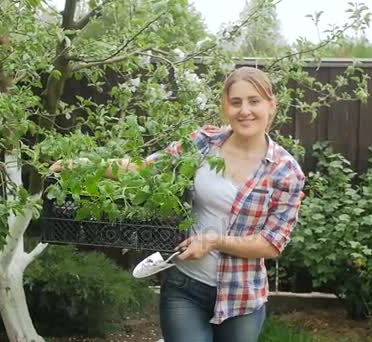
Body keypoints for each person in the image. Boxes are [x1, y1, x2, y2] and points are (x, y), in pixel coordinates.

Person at [50, 66, 305, 342]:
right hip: (185, 286)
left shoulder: (286, 172)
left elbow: (271, 244)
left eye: (254, 101)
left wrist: (213, 241)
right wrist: (84, 166)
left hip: (242, 297)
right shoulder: (203, 144)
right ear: (225, 106)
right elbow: (144, 169)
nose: (245, 110)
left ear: (271, 105)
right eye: (236, 102)